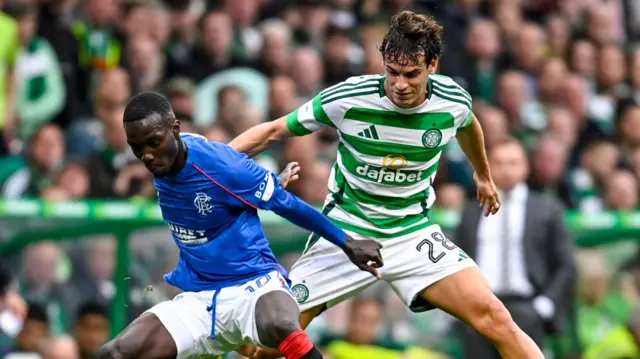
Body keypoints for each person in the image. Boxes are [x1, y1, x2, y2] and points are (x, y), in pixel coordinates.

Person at [230, 11, 545, 359]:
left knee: (497, 318)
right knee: (269, 347)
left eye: (412, 74)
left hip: (412, 234)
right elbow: (274, 130)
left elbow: (469, 126)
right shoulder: (348, 98)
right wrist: (213, 162)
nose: (400, 84)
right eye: (392, 72)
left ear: (433, 66)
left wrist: (483, 175)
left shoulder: (453, 100)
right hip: (346, 234)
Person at [96, 91, 384, 359]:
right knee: (115, 353)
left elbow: (286, 203)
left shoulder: (220, 165)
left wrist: (347, 243)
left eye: (154, 142)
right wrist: (267, 183)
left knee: (283, 324)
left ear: (175, 130)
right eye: (137, 147)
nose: (146, 155)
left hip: (253, 287)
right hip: (198, 300)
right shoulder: (170, 161)